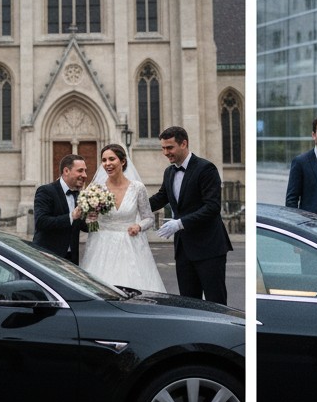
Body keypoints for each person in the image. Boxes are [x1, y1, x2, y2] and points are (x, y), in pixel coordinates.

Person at [148, 126, 232, 305]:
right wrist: (131, 205)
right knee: (189, 303)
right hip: (184, 249)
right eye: (163, 148)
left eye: (169, 148)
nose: (165, 153)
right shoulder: (169, 172)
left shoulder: (206, 169)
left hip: (209, 248)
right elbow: (160, 198)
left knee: (215, 303)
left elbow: (212, 207)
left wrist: (180, 224)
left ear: (184, 143)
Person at [80, 144, 166, 292]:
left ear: (123, 161)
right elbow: (90, 224)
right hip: (102, 247)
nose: (107, 164)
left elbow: (149, 218)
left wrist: (139, 226)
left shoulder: (137, 188)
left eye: (112, 159)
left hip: (131, 246)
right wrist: (91, 219)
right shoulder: (96, 188)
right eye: (104, 160)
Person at [33, 153, 88, 264]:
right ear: (66, 171)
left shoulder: (79, 194)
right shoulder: (46, 191)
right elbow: (41, 222)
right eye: (80, 171)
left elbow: (82, 225)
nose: (85, 175)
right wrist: (71, 216)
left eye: (85, 171)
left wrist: (92, 219)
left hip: (71, 260)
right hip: (47, 258)